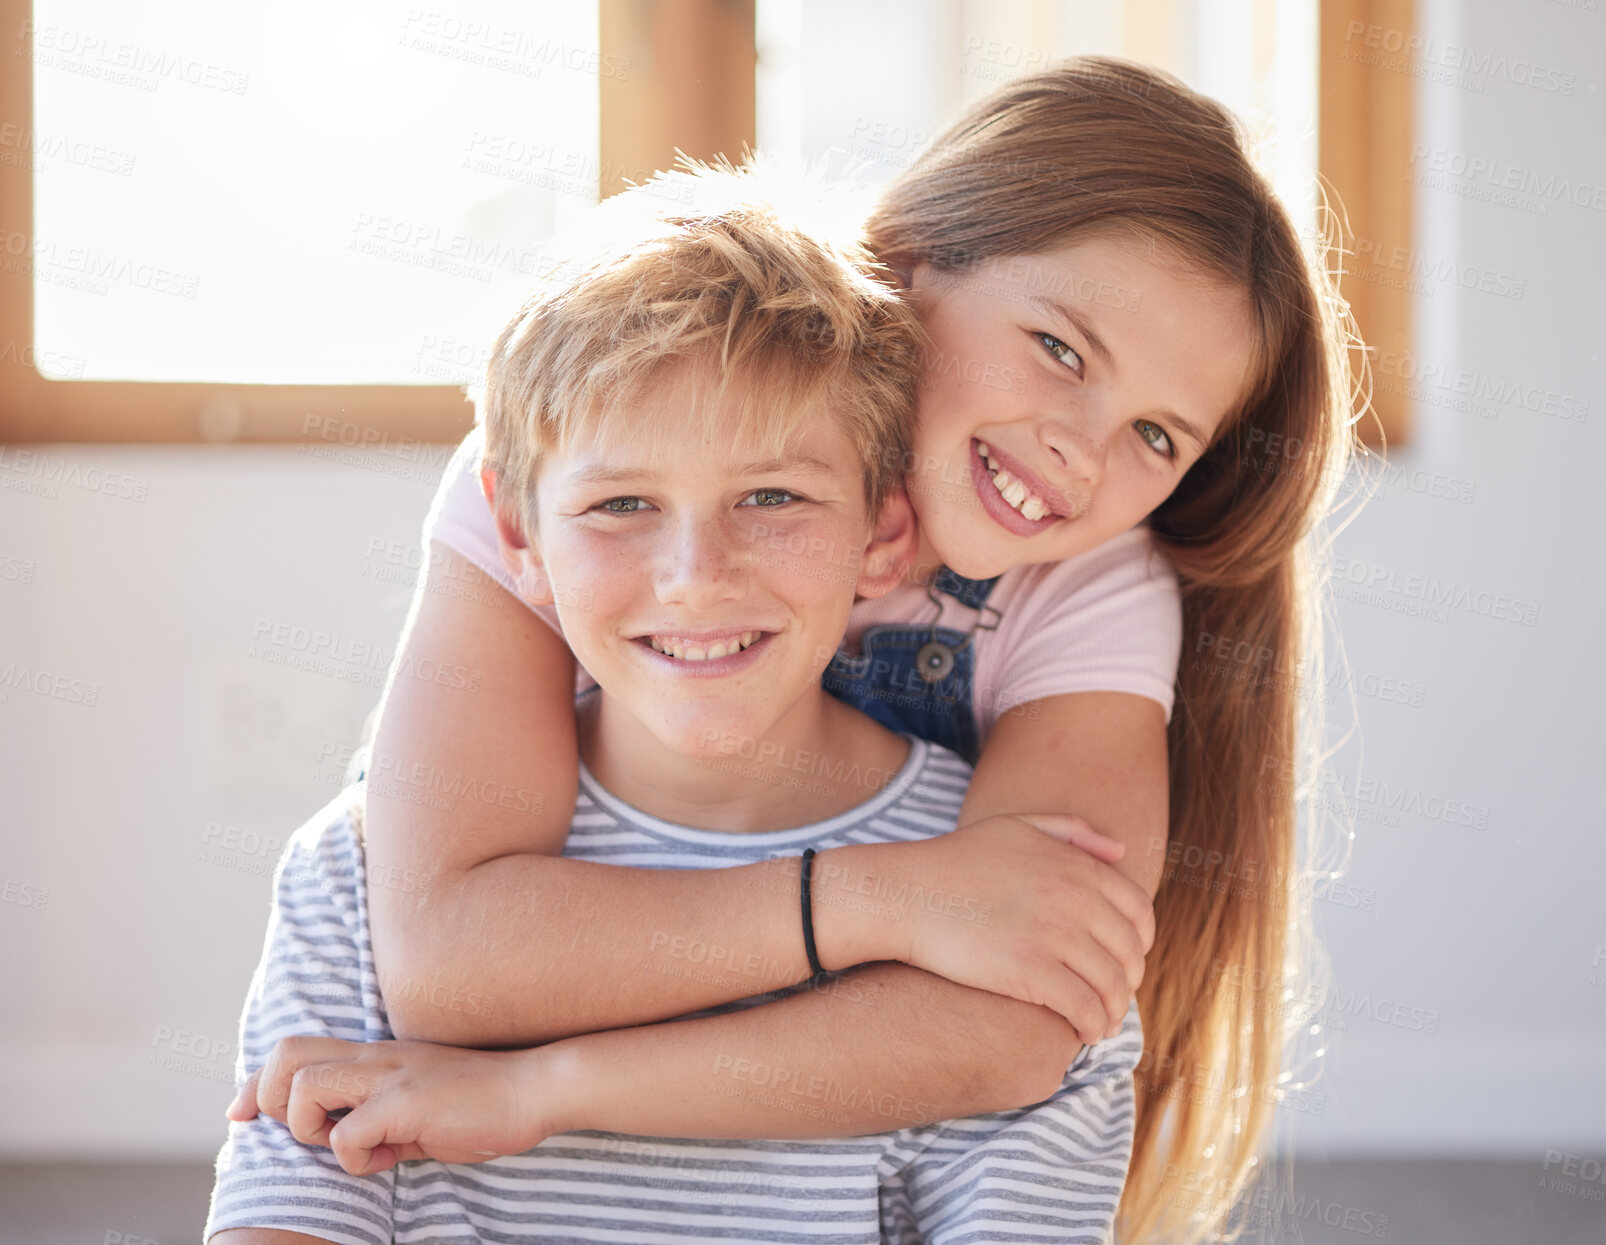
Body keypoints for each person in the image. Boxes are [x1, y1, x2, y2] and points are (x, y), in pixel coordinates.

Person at [249, 56, 1357, 1243]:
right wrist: (891, 901)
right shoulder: (589, 458)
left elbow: (1023, 1020)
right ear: (914, 260)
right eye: (1062, 350)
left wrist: (547, 1090)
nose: (1083, 450)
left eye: (1153, 432)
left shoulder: (1092, 586)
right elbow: (451, 963)